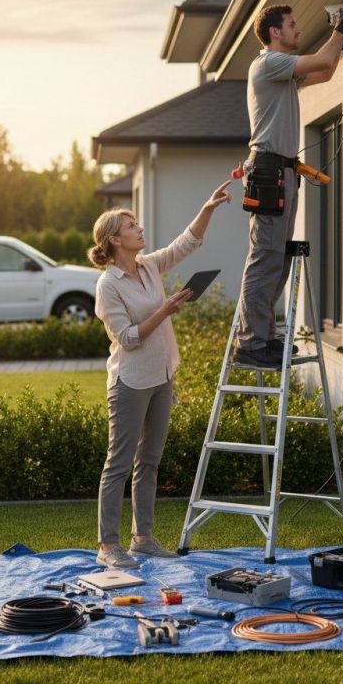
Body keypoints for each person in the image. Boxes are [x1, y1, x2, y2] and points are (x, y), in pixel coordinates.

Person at [87, 180, 231, 569]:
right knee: (119, 463)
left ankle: (143, 538)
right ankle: (109, 545)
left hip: (162, 373)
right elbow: (128, 338)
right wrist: (165, 311)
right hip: (130, 382)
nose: (140, 230)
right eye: (132, 227)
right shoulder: (107, 286)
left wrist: (208, 207)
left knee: (149, 460)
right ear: (115, 240)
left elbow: (185, 244)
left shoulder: (148, 266)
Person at [234, 4, 343, 367]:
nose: (297, 29)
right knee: (265, 259)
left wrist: (342, 32)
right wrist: (341, 28)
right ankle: (251, 344)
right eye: (292, 24)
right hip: (270, 171)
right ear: (274, 32)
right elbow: (321, 59)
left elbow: (327, 67)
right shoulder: (267, 63)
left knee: (279, 260)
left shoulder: (282, 73)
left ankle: (264, 338)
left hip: (283, 172)